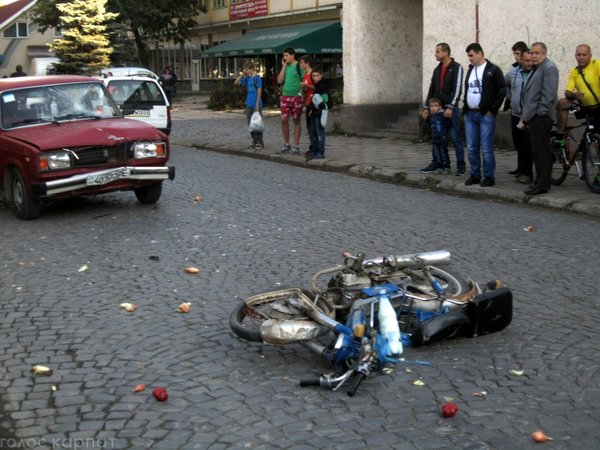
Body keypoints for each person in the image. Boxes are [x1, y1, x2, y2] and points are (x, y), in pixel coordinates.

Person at [462, 43, 506, 187]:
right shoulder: (470, 70)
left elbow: (501, 91)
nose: (469, 58)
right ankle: (475, 174)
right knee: (472, 147)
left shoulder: (493, 70)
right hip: (470, 114)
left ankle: (489, 176)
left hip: (486, 115)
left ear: (480, 53)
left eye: (471, 55)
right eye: (468, 55)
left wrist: (492, 109)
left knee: (486, 148)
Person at [421, 43, 466, 176]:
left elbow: (457, 90)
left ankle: (461, 165)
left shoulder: (456, 67)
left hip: (451, 110)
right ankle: (439, 163)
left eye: (438, 52)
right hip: (438, 111)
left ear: (446, 52)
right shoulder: (437, 69)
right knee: (438, 138)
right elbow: (432, 89)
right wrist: (427, 107)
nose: (435, 54)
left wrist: (451, 106)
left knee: (456, 138)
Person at [520, 42, 559, 196]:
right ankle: (540, 181)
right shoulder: (537, 68)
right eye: (532, 53)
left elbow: (548, 95)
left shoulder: (549, 68)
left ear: (544, 53)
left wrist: (539, 113)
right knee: (537, 152)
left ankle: (542, 184)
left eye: (537, 53)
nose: (533, 56)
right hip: (533, 116)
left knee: (541, 152)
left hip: (541, 117)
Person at [555, 44, 600, 145]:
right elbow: (568, 92)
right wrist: (574, 95)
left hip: (598, 107)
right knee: (562, 102)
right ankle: (560, 136)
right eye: (578, 55)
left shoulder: (597, 65)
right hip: (585, 108)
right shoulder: (574, 72)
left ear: (590, 56)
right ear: (575, 56)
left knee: (593, 135)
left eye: (584, 54)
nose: (581, 57)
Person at [504, 49, 534, 183]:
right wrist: (509, 99)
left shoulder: (536, 73)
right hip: (516, 114)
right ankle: (521, 169)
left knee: (528, 144)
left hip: (529, 115)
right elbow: (505, 85)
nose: (529, 63)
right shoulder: (512, 73)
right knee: (518, 143)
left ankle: (527, 172)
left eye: (531, 60)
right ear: (520, 60)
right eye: (526, 61)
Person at [276, 47, 304, 154]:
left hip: (296, 97)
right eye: (284, 55)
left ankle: (296, 145)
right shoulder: (286, 66)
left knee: (296, 120)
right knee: (284, 120)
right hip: (285, 96)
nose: (284, 57)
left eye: (287, 55)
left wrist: (303, 95)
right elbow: (279, 81)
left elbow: (305, 78)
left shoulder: (299, 66)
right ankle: (286, 143)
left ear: (293, 55)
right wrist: (283, 67)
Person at [234, 61, 264, 149]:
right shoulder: (248, 78)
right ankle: (254, 141)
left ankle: (260, 142)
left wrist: (257, 103)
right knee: (250, 124)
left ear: (251, 69)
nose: (246, 72)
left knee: (257, 124)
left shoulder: (257, 78)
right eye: (245, 70)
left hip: (256, 104)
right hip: (249, 103)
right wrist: (242, 74)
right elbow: (236, 83)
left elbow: (259, 91)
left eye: (247, 70)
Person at [420, 97, 451, 174]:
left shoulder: (442, 115)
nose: (433, 108)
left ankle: (446, 167)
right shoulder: (430, 116)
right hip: (435, 138)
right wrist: (425, 119)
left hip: (443, 138)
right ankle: (439, 167)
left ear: (440, 107)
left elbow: (448, 124)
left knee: (443, 153)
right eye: (432, 106)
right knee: (437, 154)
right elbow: (428, 126)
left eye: (436, 106)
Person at [305, 66, 330, 160]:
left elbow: (326, 99)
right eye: (313, 76)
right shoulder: (317, 85)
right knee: (312, 131)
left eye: (317, 75)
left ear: (321, 76)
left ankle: (320, 152)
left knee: (320, 133)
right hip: (315, 111)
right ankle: (314, 150)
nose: (315, 77)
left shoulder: (322, 85)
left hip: (320, 111)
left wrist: (317, 102)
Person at [299, 55, 316, 156]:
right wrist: (304, 88)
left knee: (312, 127)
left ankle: (315, 148)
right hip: (308, 102)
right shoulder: (305, 74)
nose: (300, 64)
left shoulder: (312, 74)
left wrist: (306, 85)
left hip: (314, 103)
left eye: (302, 62)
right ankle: (312, 147)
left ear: (307, 63)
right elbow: (308, 89)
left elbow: (316, 87)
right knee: (309, 127)